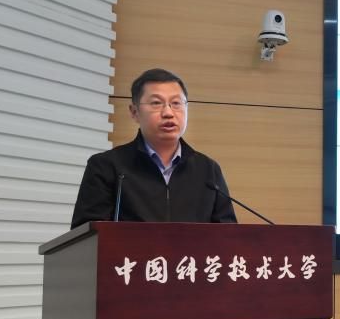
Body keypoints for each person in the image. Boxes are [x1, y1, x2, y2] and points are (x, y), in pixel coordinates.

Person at [70, 68, 237, 227]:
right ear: (134, 112)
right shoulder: (106, 166)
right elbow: (87, 237)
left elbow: (229, 236)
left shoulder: (208, 170)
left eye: (176, 103)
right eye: (156, 103)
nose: (168, 113)